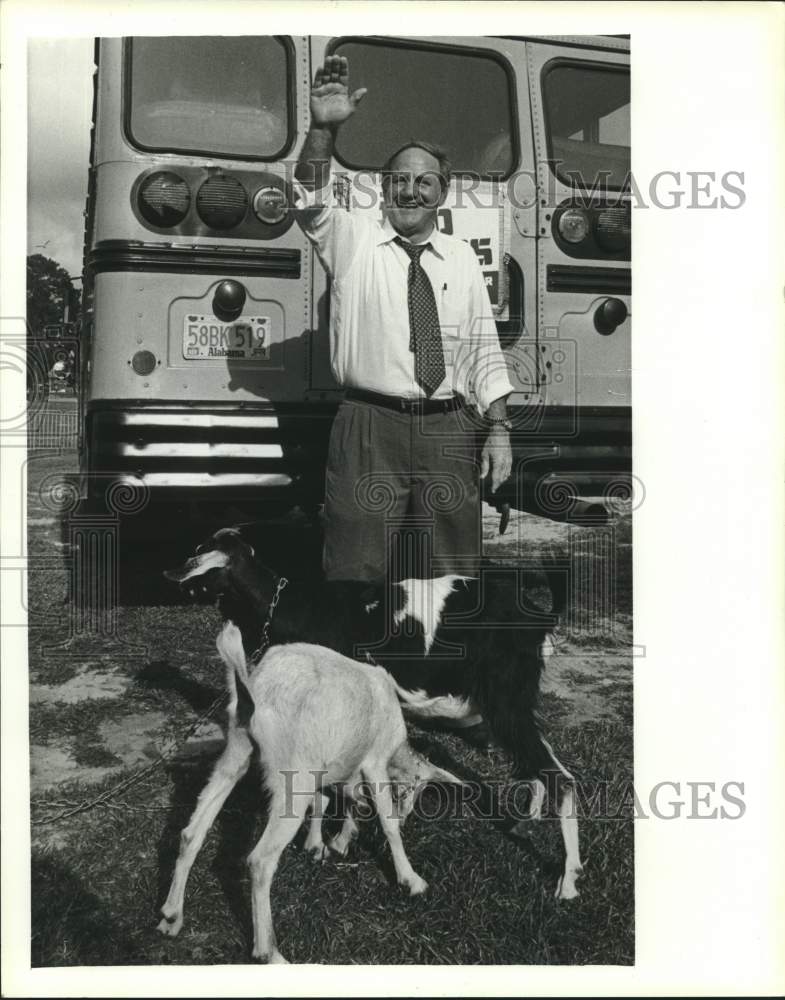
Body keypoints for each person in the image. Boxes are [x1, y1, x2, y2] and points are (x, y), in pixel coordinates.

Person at [293, 55, 514, 585]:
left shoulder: (461, 256)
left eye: (424, 182)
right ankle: (354, 667)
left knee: (453, 575)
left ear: (442, 191)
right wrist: (323, 129)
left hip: (450, 428)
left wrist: (499, 429)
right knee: (357, 568)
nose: (410, 191)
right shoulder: (353, 242)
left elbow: (483, 348)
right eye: (399, 180)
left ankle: (435, 667)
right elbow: (308, 198)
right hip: (370, 426)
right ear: (384, 187)